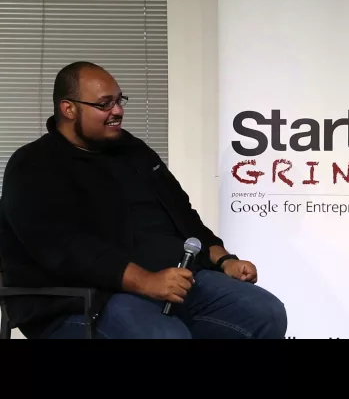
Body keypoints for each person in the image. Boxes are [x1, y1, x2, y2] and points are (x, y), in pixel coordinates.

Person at [0, 61, 288, 339]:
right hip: (88, 298)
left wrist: (224, 259)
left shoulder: (133, 151)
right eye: (104, 104)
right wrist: (146, 282)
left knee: (265, 312)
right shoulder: (33, 164)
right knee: (164, 335)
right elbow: (65, 249)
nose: (118, 111)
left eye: (119, 100)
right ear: (69, 109)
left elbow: (183, 215)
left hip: (172, 283)